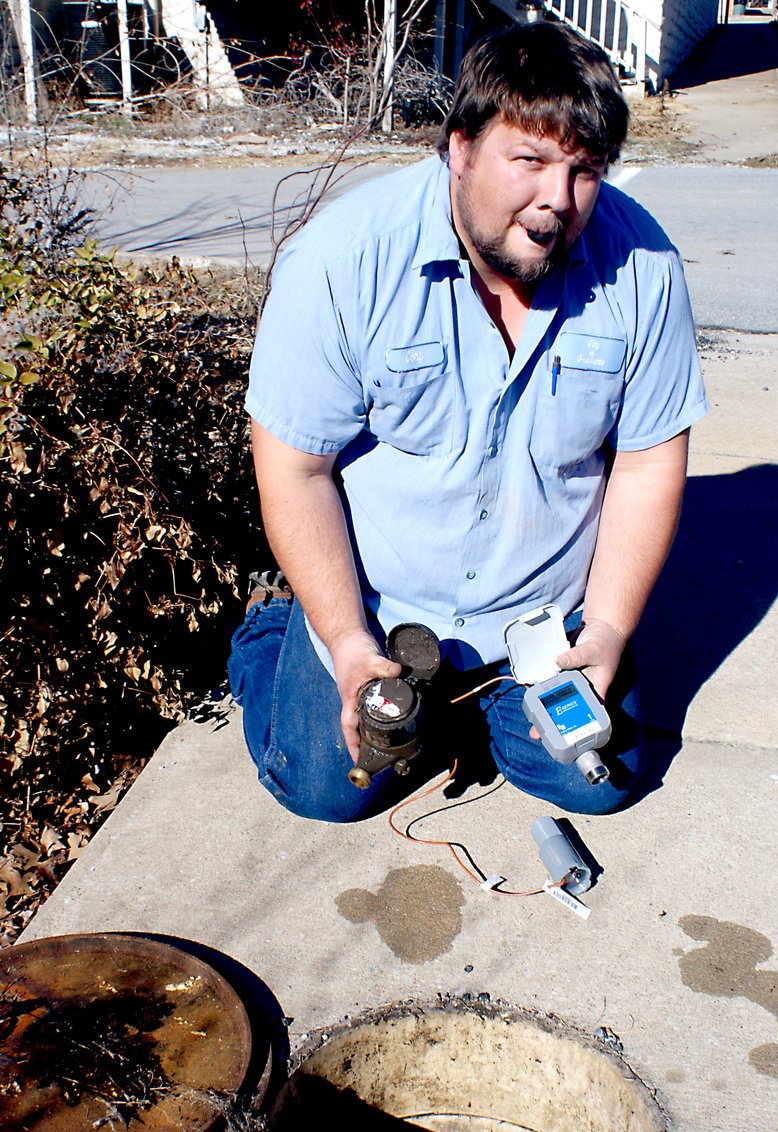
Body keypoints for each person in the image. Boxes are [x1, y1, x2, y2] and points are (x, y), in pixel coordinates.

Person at [229, 22, 708, 823]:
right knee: (320, 789)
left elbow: (649, 463)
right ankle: (273, 629)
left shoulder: (643, 267)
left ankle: (460, 703)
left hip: (540, 616)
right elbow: (294, 468)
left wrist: (612, 629)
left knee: (598, 780)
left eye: (585, 171)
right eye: (531, 160)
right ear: (459, 147)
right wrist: (348, 645)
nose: (558, 199)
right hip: (382, 603)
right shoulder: (343, 262)